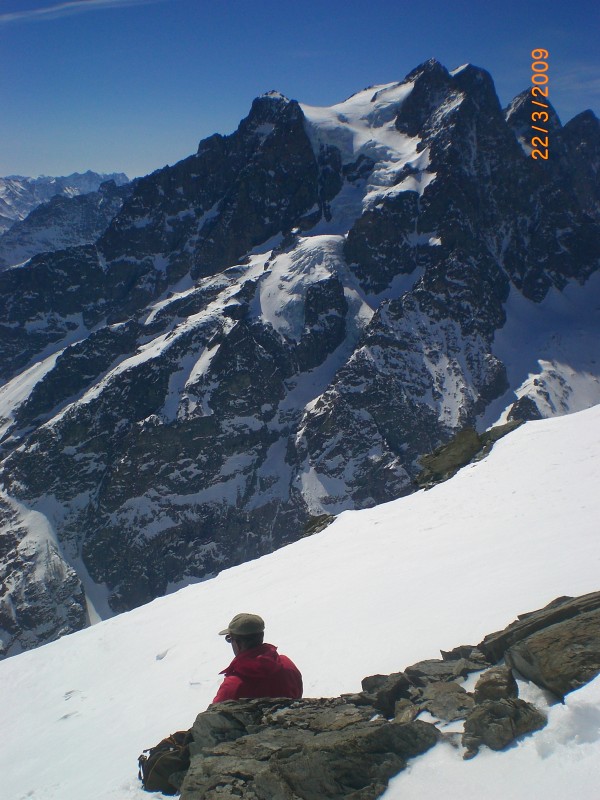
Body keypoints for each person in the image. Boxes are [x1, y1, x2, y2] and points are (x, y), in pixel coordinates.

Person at [212, 613, 303, 704]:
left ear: (238, 644)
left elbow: (214, 712)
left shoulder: (232, 686)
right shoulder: (287, 665)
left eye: (229, 639)